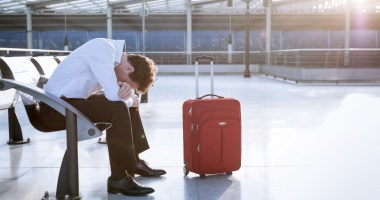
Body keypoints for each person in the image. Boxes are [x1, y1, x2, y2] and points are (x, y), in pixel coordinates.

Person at [39, 38, 165, 196]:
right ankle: (119, 178)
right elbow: (113, 96)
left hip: (67, 104)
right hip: (54, 109)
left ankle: (134, 161)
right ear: (129, 68)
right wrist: (129, 99)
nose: (120, 82)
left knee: (125, 105)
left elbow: (112, 94)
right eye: (124, 81)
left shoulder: (111, 57)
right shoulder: (104, 49)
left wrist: (130, 99)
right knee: (118, 108)